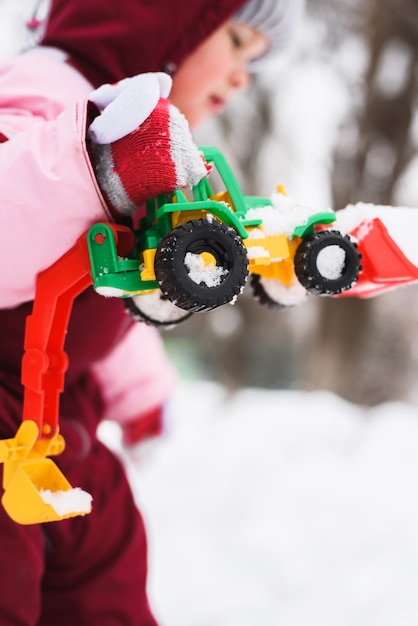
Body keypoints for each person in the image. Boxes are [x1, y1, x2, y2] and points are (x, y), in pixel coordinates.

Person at [0, 0, 302, 624]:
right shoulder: (47, 89)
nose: (244, 76)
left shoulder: (153, 148)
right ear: (162, 18)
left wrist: (139, 392)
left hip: (61, 409)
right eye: (239, 41)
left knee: (109, 580)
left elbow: (103, 286)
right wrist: (95, 168)